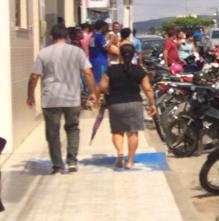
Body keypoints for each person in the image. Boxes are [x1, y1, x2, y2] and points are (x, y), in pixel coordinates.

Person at [27, 25, 97, 174]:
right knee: (72, 128)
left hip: (50, 98)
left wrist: (30, 94)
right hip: (72, 98)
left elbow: (34, 76)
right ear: (66, 36)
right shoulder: (77, 52)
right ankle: (72, 162)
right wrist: (93, 92)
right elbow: (88, 73)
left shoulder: (44, 53)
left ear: (52, 37)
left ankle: (58, 166)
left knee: (52, 132)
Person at [99, 42, 157, 170]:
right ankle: (130, 161)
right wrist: (152, 104)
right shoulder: (139, 70)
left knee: (117, 131)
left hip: (115, 103)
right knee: (132, 133)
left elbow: (102, 86)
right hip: (134, 103)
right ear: (133, 55)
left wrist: (107, 92)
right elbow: (147, 89)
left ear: (120, 54)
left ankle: (120, 152)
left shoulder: (112, 69)